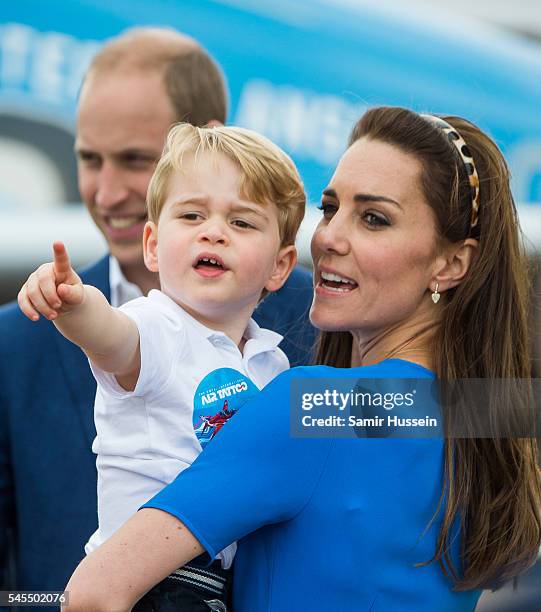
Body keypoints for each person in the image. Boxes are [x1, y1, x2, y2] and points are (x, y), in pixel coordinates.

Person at [64, 107, 541, 611]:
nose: (329, 237)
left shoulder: (313, 409)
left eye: (373, 218)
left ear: (451, 264)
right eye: (330, 207)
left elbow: (92, 596)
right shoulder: (487, 416)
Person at [0, 28, 315, 594]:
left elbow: (449, 413)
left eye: (135, 160)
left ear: (214, 143)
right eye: (89, 159)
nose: (106, 191)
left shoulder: (316, 321)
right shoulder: (18, 340)